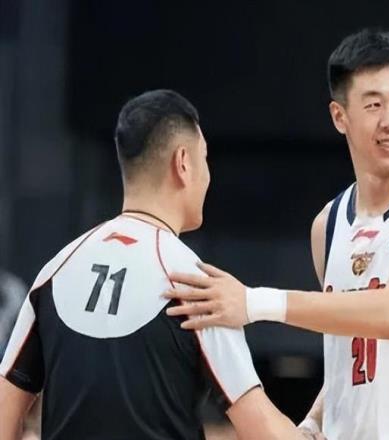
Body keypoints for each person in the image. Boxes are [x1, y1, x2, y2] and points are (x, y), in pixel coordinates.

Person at [164, 29, 389, 439]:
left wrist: (252, 302)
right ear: (340, 117)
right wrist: (313, 423)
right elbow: (351, 357)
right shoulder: (328, 224)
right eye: (374, 105)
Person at [0, 90, 316, 440]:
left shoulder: (55, 272)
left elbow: (3, 414)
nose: (208, 175)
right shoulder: (198, 289)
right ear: (183, 163)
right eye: (205, 158)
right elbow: (264, 432)